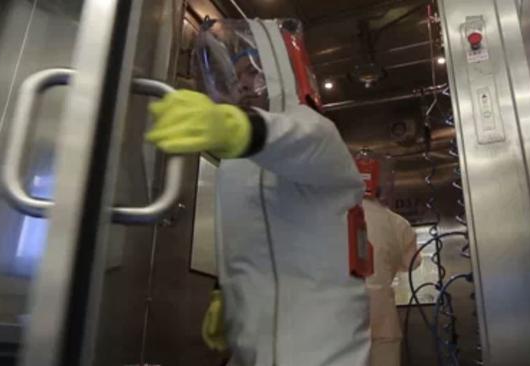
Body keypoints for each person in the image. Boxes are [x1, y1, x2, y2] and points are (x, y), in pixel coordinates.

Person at [146, 18, 371, 366]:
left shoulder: (313, 130)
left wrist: (236, 127)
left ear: (280, 69)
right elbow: (240, 233)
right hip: (251, 348)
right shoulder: (238, 162)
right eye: (236, 75)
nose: (244, 84)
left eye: (253, 71)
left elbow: (293, 140)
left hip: (323, 353)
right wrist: (226, 291)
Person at [359, 164, 421, 366]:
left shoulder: (329, 216)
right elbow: (412, 263)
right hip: (383, 318)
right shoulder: (397, 223)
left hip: (338, 318)